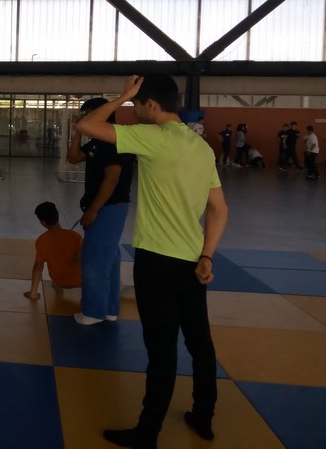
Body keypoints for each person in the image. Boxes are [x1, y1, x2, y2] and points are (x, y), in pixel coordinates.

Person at [76, 74, 228, 449]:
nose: (133, 110)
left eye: (136, 104)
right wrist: (207, 255)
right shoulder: (201, 147)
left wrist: (121, 95)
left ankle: (148, 431)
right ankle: (204, 416)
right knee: (200, 343)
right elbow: (219, 209)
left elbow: (86, 126)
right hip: (193, 261)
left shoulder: (152, 137)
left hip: (157, 262)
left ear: (151, 105)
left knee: (161, 350)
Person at [67, 97, 134, 325]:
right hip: (104, 207)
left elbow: (112, 179)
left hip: (109, 207)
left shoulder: (115, 140)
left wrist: (93, 210)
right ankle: (109, 309)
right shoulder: (97, 142)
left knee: (95, 259)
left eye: (86, 114)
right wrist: (78, 132)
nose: (83, 118)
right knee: (109, 258)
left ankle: (94, 312)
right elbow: (73, 158)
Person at [23, 202, 82, 300]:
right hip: (80, 281)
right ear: (57, 215)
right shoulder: (76, 236)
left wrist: (33, 294)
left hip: (59, 281)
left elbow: (38, 267)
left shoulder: (42, 240)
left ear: (42, 222)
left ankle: (33, 293)